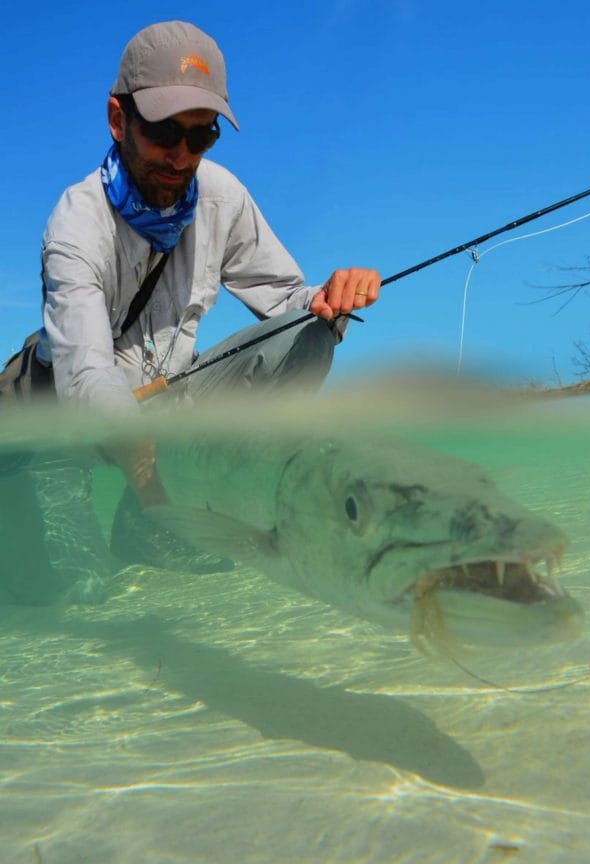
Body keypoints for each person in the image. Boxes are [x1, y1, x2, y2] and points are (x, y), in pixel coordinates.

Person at [0, 19, 381, 603]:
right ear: (117, 119)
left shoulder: (223, 194)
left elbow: (285, 300)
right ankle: (113, 516)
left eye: (201, 137)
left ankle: (140, 529)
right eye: (163, 132)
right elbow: (87, 379)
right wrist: (164, 501)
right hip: (52, 402)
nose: (181, 157)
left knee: (312, 334)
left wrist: (329, 298)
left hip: (168, 394)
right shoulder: (74, 225)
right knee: (70, 592)